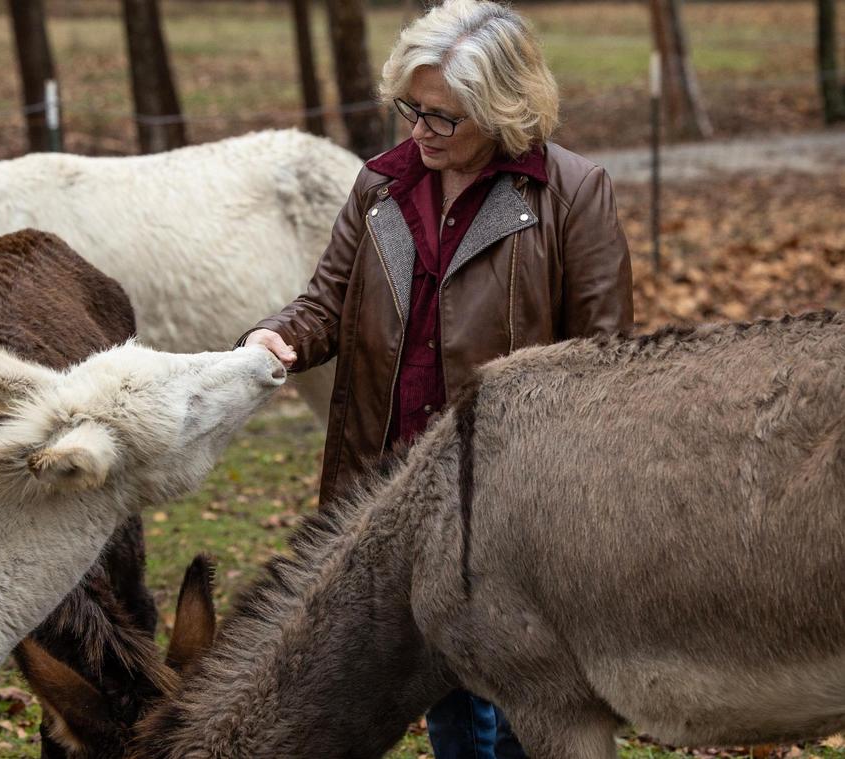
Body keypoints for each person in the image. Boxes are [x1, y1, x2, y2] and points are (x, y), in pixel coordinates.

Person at [241, 1, 633, 756]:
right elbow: (328, 301)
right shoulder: (379, 186)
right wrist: (277, 336)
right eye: (410, 108)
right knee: (443, 684)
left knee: (530, 697)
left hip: (515, 503)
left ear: (501, 108)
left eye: (441, 117)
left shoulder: (572, 194)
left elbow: (605, 365)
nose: (417, 130)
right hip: (398, 490)